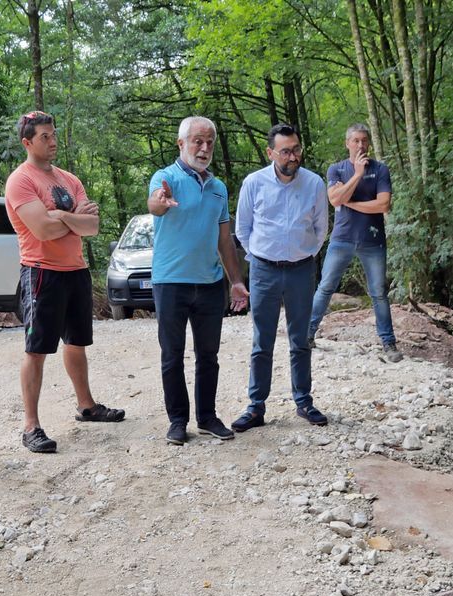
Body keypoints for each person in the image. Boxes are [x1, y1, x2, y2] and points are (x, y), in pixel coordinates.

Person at [4, 111, 125, 453]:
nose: (53, 140)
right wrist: (73, 220)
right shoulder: (20, 180)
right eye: (45, 136)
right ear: (27, 142)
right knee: (37, 349)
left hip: (75, 269)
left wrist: (61, 217)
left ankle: (86, 406)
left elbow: (93, 227)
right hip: (41, 271)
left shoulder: (69, 179)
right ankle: (31, 425)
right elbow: (41, 230)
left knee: (76, 343)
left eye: (54, 134)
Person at [146, 116, 248, 445]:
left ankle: (207, 417)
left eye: (209, 143)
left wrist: (235, 280)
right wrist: (159, 203)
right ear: (181, 144)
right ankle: (178, 421)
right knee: (172, 355)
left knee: (209, 356)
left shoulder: (218, 188)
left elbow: (224, 239)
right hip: (170, 282)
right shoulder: (165, 179)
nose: (204, 148)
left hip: (208, 283)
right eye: (197, 142)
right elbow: (154, 205)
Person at [232, 123, 329, 433]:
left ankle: (304, 401)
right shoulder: (254, 183)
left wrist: (302, 254)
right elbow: (242, 229)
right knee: (263, 341)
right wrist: (261, 255)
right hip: (263, 270)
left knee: (300, 340)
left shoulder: (314, 183)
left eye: (296, 149)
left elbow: (320, 229)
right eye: (286, 151)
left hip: (301, 270)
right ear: (270, 152)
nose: (293, 156)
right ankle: (256, 406)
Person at [308, 123, 401, 359]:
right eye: (356, 140)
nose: (361, 145)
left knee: (378, 292)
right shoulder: (336, 170)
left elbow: (383, 205)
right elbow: (334, 199)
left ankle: (389, 344)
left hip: (373, 240)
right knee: (326, 287)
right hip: (342, 238)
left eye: (364, 140)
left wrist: (350, 202)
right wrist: (358, 175)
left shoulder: (380, 170)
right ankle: (307, 335)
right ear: (347, 143)